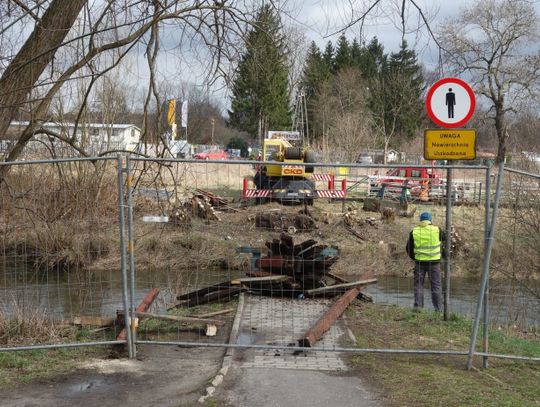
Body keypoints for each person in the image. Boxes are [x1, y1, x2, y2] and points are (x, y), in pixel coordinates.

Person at [406, 211, 443, 311]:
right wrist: (441, 255)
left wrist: (415, 257)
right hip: (434, 263)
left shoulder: (414, 231)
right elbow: (445, 241)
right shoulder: (437, 230)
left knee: (418, 285)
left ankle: (418, 308)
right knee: (436, 286)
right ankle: (438, 309)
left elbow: (408, 248)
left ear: (421, 220)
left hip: (419, 263)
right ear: (430, 220)